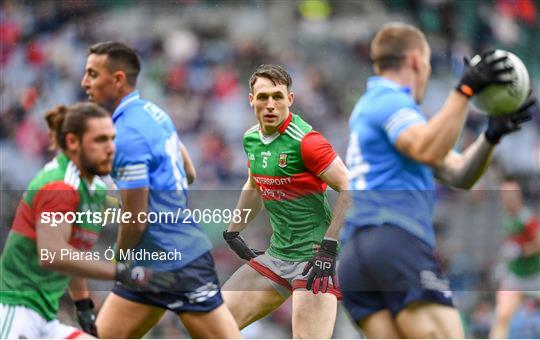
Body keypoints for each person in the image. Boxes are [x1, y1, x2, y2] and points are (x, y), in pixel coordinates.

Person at [338, 22, 536, 338]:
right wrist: (464, 90)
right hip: (395, 241)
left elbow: (459, 173)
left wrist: (491, 135)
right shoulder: (390, 100)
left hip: (359, 255)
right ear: (417, 60)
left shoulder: (380, 109)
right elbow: (427, 147)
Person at [81, 41, 240, 338]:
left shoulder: (126, 136)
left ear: (117, 79)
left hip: (178, 263)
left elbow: (136, 219)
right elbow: (188, 173)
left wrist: (118, 259)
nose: (84, 82)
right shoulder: (153, 112)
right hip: (150, 263)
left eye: (92, 74)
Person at [0, 103, 175, 338]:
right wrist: (121, 272)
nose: (110, 149)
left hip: (45, 318)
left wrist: (83, 306)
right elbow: (54, 254)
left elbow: (72, 254)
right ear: (73, 142)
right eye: (100, 140)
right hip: (15, 310)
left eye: (112, 139)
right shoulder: (60, 185)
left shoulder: (94, 191)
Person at [221, 64, 349, 338]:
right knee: (211, 326)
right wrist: (233, 231)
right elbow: (255, 185)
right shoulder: (251, 138)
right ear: (251, 99)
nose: (270, 104)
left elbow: (351, 188)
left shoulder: (306, 141)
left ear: (290, 99)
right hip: (277, 255)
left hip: (315, 261)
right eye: (263, 96)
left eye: (278, 97)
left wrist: (329, 247)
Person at [490, 180, 540, 338]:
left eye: (512, 194)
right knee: (502, 316)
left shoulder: (526, 218)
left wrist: (521, 251)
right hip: (515, 276)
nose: (508, 198)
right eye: (505, 194)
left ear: (519, 196)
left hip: (535, 275)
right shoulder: (506, 218)